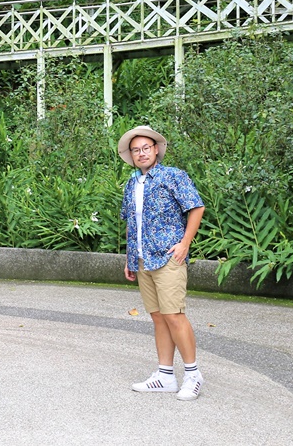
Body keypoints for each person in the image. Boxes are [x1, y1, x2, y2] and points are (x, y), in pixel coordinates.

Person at [118, 125, 205, 401]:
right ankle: (165, 375)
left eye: (146, 148)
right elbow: (132, 222)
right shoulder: (132, 183)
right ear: (131, 156)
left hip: (168, 257)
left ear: (156, 149)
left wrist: (185, 243)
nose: (141, 153)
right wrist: (130, 258)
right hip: (143, 259)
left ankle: (193, 375)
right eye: (136, 150)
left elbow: (196, 207)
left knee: (173, 315)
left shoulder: (173, 176)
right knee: (158, 317)